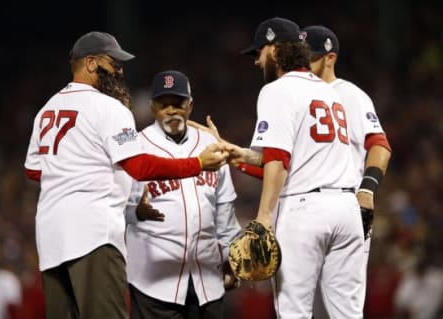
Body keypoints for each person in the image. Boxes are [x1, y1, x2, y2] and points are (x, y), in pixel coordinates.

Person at [23, 31, 228, 319]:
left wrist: (73, 171)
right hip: (93, 235)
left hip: (50, 237)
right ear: (91, 63)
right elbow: (139, 167)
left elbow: (34, 170)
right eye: (114, 63)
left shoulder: (46, 110)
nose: (120, 71)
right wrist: (196, 164)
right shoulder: (107, 107)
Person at [194, 17, 365, 318]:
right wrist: (241, 155)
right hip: (347, 211)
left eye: (258, 52)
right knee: (347, 313)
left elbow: (277, 159)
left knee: (293, 312)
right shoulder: (330, 92)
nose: (257, 61)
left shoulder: (277, 90)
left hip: (305, 211)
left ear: (274, 49)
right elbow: (293, 161)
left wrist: (263, 218)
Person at [124, 70, 241, 319]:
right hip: (153, 283)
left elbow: (225, 210)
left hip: (207, 278)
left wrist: (232, 255)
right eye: (163, 104)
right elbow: (117, 208)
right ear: (152, 106)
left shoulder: (210, 143)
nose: (171, 110)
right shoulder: (137, 146)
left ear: (190, 105)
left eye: (177, 103)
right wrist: (135, 212)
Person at [302, 25, 392, 318]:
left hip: (345, 206)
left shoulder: (350, 95)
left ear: (330, 58)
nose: (304, 64)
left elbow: (379, 145)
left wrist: (367, 188)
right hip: (303, 209)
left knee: (344, 309)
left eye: (311, 57)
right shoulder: (293, 95)